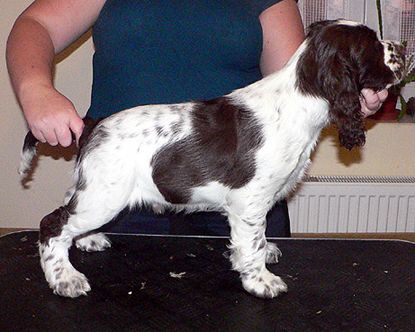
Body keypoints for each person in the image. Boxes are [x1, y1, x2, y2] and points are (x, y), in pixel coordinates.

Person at [6, 0, 387, 236]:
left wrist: (351, 94)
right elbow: (35, 26)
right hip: (127, 176)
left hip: (236, 186)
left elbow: (295, 88)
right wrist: (36, 89)